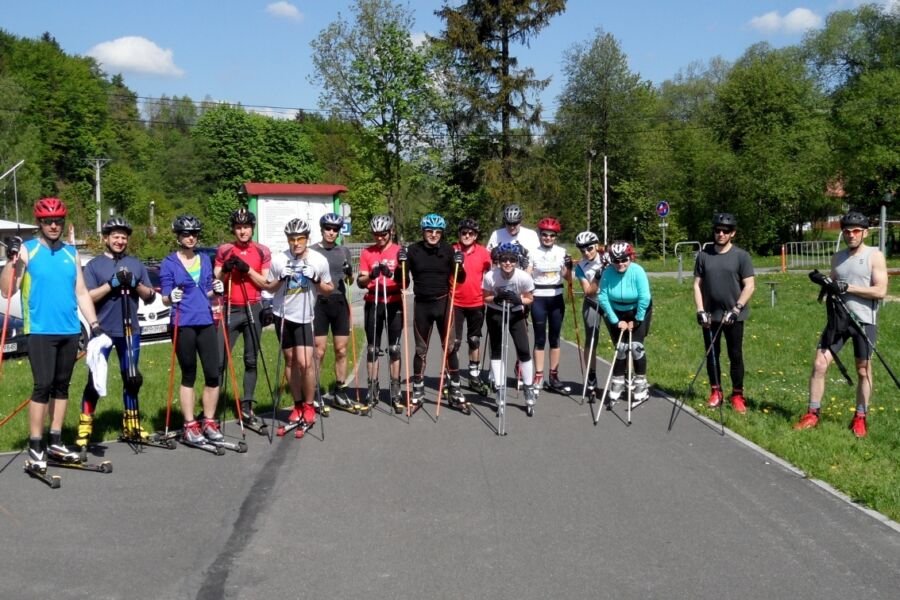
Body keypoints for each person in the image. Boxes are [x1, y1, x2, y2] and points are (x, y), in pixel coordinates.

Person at [0, 198, 102, 469]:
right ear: (40, 223)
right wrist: (11, 260)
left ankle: (55, 440)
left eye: (58, 221)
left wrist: (94, 324)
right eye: (48, 221)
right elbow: (7, 289)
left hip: (69, 329)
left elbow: (81, 292)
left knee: (61, 386)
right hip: (40, 330)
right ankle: (36, 444)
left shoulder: (71, 253)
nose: (54, 225)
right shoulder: (28, 250)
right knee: (42, 386)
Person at [795, 211, 888, 438]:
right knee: (819, 363)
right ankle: (812, 413)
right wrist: (826, 284)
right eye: (847, 231)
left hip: (864, 320)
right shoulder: (838, 258)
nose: (851, 235)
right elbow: (835, 287)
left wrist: (849, 288)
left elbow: (880, 291)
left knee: (863, 370)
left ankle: (860, 417)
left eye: (856, 231)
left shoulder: (874, 256)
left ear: (865, 232)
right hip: (839, 320)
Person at [76, 216, 158, 449]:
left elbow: (150, 296)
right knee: (95, 379)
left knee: (131, 378)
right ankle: (85, 425)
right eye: (115, 236)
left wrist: (135, 283)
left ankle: (131, 423)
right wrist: (111, 284)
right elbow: (88, 296)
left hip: (130, 329)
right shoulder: (94, 265)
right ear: (106, 238)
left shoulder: (135, 263)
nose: (120, 240)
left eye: (123, 237)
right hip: (102, 330)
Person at [160, 215, 225, 446]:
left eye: (194, 234)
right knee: (189, 374)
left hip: (205, 320)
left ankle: (208, 420)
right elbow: (166, 298)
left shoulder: (205, 259)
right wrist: (171, 296)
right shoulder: (169, 262)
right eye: (187, 234)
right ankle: (189, 424)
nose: (191, 238)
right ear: (178, 236)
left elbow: (207, 291)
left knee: (212, 373)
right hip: (182, 322)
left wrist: (216, 289)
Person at [264, 218, 333, 431]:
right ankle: (297, 405)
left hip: (304, 317)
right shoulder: (278, 260)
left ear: (307, 238)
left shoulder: (319, 260)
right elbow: (269, 289)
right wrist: (280, 280)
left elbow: (329, 289)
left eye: (300, 238)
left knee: (306, 362)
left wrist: (314, 280)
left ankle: (310, 405)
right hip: (283, 316)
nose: (296, 243)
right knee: (291, 361)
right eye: (292, 239)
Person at [396, 213, 466, 411]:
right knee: (420, 349)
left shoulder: (449, 250)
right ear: (423, 231)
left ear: (442, 233)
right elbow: (403, 283)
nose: (433, 235)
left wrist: (459, 263)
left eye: (437, 232)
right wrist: (400, 264)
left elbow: (460, 279)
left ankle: (455, 388)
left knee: (450, 347)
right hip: (422, 306)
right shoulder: (413, 251)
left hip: (444, 303)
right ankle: (418, 390)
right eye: (429, 231)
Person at [214, 207, 272, 426]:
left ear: (252, 228)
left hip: (252, 308)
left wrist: (247, 269)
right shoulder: (224, 250)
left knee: (250, 359)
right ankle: (213, 409)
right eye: (238, 227)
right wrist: (226, 269)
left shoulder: (262, 251)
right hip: (230, 308)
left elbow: (265, 282)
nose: (242, 231)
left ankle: (247, 406)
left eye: (246, 227)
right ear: (233, 229)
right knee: (218, 361)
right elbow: (217, 280)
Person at [693, 212, 756, 414]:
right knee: (712, 354)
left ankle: (737, 394)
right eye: (717, 230)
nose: (720, 233)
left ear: (732, 233)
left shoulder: (741, 256)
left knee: (735, 355)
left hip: (733, 316)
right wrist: (700, 310)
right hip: (710, 315)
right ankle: (716, 391)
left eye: (725, 231)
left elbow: (750, 286)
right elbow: (697, 285)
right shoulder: (704, 255)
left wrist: (737, 309)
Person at [311, 212, 364, 414]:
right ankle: (314, 392)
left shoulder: (344, 251)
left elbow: (349, 282)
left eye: (335, 229)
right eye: (328, 228)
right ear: (322, 229)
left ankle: (340, 391)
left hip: (340, 302)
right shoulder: (313, 251)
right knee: (319, 350)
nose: (331, 232)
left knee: (341, 350)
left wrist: (350, 274)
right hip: (320, 303)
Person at [357, 215, 404, 412]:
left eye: (383, 234)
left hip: (393, 301)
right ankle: (372, 388)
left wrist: (393, 273)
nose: (379, 238)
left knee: (394, 348)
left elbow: (404, 280)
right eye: (376, 234)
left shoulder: (399, 251)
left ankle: (395, 389)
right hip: (373, 300)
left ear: (391, 231)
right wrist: (371, 275)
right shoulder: (367, 252)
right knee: (372, 349)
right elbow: (360, 282)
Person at [482, 242, 536, 413]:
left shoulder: (523, 277)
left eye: (512, 259)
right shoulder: (491, 276)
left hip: (515, 312)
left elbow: (530, 298)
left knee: (523, 350)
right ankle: (500, 388)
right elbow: (486, 297)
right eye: (504, 259)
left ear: (517, 260)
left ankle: (528, 387)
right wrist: (496, 298)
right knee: (497, 349)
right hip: (495, 312)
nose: (508, 263)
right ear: (498, 260)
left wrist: (519, 300)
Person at [598, 241, 652, 405]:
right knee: (621, 347)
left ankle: (641, 384)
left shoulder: (638, 271)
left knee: (635, 346)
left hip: (638, 310)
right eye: (616, 260)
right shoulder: (607, 272)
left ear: (630, 257)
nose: (620, 264)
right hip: (616, 311)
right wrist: (615, 320)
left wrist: (637, 320)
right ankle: (618, 383)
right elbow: (602, 297)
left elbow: (645, 297)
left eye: (624, 260)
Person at [528, 217, 573, 394]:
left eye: (551, 235)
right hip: (538, 298)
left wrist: (568, 268)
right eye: (544, 234)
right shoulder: (533, 252)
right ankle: (538, 375)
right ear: (540, 235)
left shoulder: (562, 252)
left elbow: (568, 278)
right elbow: (527, 276)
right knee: (540, 338)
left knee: (555, 338)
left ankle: (553, 375)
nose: (547, 238)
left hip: (556, 298)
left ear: (556, 237)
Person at [451, 218, 492, 389]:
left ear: (475, 236)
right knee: (455, 342)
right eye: (464, 233)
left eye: (471, 233)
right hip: (455, 302)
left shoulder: (483, 253)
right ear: (459, 234)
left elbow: (491, 276)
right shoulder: (451, 250)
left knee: (474, 340)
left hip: (476, 302)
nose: (467, 235)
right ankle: (453, 377)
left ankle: (474, 375)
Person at [573, 231, 605, 396]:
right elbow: (588, 291)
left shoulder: (608, 258)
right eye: (582, 250)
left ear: (597, 246)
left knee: (620, 342)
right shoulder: (580, 267)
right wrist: (598, 276)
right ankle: (591, 377)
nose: (586, 253)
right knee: (591, 340)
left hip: (612, 304)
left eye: (589, 248)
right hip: (592, 303)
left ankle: (623, 378)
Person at [486, 204, 540, 268]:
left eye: (515, 223)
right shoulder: (496, 234)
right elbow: (488, 257)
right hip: (502, 275)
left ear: (520, 222)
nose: (512, 227)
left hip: (524, 274)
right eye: (509, 223)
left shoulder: (531, 234)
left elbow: (538, 258)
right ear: (505, 222)